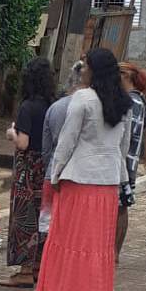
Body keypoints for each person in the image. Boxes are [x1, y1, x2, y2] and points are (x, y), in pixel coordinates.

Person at [35, 48, 131, 291]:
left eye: (86, 66)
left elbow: (67, 140)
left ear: (94, 71)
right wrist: (119, 175)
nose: (83, 70)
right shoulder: (123, 102)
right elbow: (122, 146)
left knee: (69, 239)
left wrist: (55, 174)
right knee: (97, 243)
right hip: (108, 182)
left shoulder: (83, 98)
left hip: (79, 180)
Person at [0, 57, 56, 288]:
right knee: (43, 215)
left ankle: (24, 269)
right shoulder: (53, 106)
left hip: (28, 168)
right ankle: (39, 266)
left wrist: (11, 133)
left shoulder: (27, 107)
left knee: (24, 217)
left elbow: (23, 143)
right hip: (46, 165)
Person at [38, 62, 84, 264]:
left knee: (48, 223)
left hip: (54, 172)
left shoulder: (56, 107)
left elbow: (46, 148)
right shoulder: (97, 106)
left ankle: (45, 266)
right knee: (72, 226)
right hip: (80, 177)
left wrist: (51, 169)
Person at [117, 62, 146, 262]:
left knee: (120, 206)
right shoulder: (138, 101)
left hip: (125, 161)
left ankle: (114, 253)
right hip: (129, 161)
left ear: (125, 76)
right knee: (121, 205)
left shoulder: (132, 102)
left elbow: (127, 136)